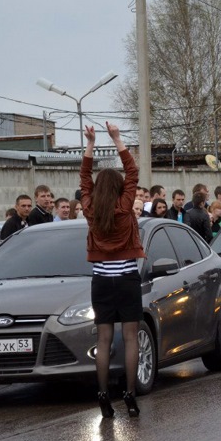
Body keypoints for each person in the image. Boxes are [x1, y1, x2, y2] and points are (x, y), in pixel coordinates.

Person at [80, 122, 145, 419]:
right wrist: (116, 139)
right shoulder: (125, 205)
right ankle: (130, 394)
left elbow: (84, 179)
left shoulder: (90, 209)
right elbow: (132, 173)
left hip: (101, 281)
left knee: (103, 339)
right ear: (119, 188)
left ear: (96, 190)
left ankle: (102, 394)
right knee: (131, 338)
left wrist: (91, 144)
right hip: (127, 279)